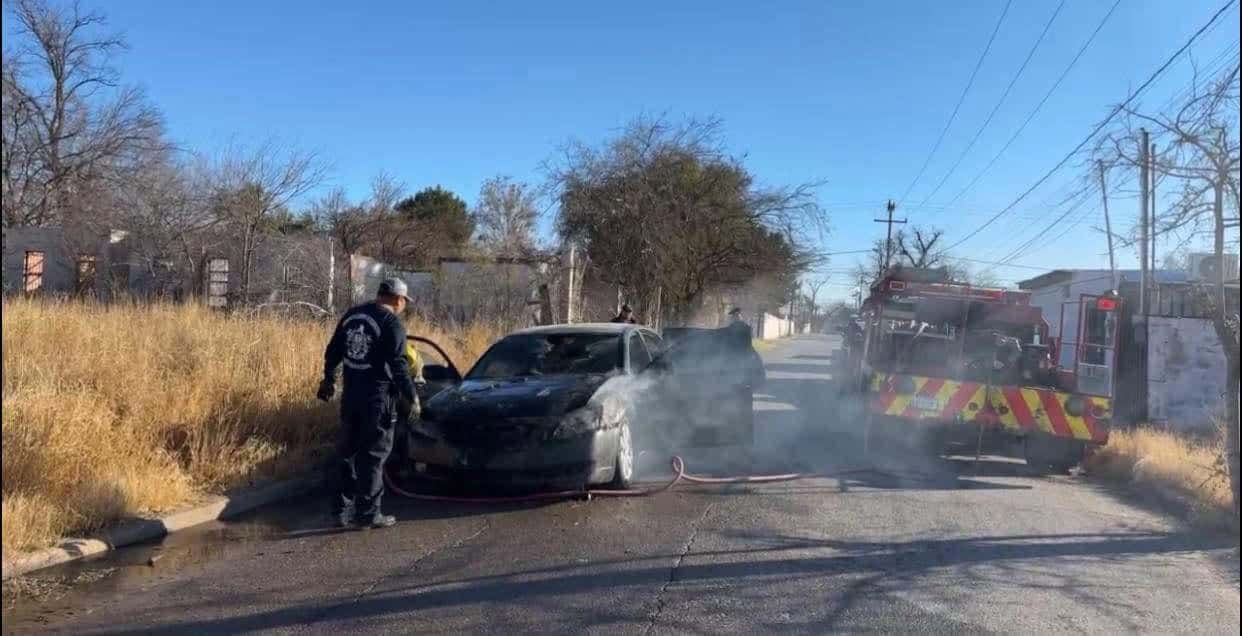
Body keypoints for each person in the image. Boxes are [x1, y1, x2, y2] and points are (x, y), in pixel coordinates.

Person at [318, 277, 418, 530]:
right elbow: (399, 364)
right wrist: (412, 396)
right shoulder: (391, 322)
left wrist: (328, 379)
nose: (404, 305)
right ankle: (368, 513)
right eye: (404, 301)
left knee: (348, 453)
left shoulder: (353, 315)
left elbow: (333, 350)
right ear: (398, 299)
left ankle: (340, 509)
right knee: (373, 455)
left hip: (351, 395)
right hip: (378, 398)